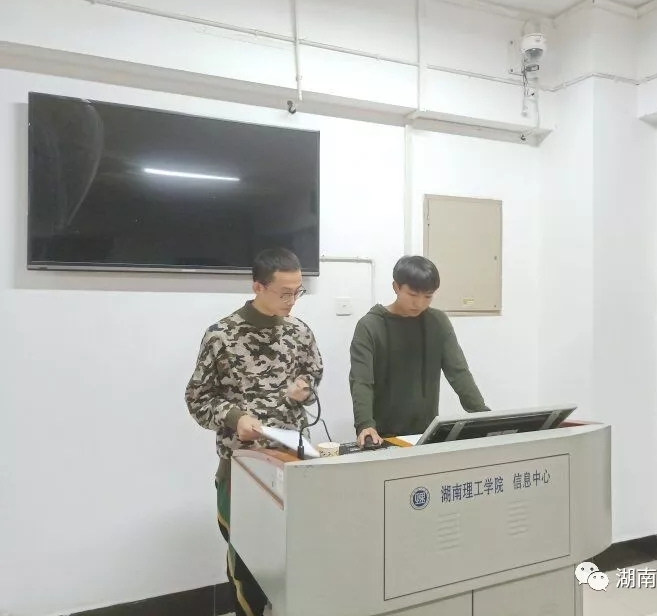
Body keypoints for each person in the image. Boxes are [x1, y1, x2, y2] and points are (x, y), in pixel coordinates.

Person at [185, 247, 323, 616]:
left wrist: (304, 389)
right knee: (249, 565)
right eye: (284, 293)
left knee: (297, 557)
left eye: (297, 292)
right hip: (244, 467)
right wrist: (234, 417)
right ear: (258, 287)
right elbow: (198, 398)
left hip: (293, 461)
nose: (292, 301)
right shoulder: (222, 335)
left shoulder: (299, 332)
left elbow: (313, 374)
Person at [349, 255, 488, 446]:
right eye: (413, 295)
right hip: (383, 435)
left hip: (426, 433)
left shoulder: (437, 322)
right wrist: (365, 424)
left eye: (428, 296)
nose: (420, 304)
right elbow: (361, 380)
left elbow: (458, 372)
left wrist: (482, 414)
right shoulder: (370, 326)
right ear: (396, 287)